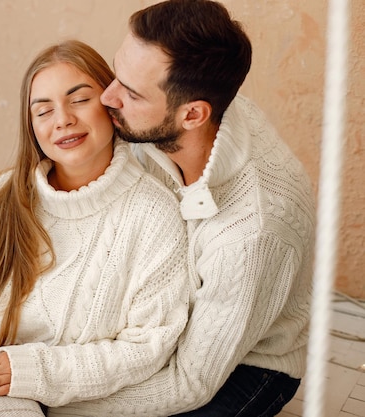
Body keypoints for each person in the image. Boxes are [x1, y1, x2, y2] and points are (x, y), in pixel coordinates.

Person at [48, 1, 316, 416]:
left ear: (193, 114)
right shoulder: (170, 123)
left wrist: (46, 401)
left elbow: (190, 382)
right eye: (117, 74)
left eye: (131, 93)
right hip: (164, 318)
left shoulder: (256, 229)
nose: (107, 96)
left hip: (243, 368)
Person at [0, 39, 191, 409]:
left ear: (111, 104)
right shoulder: (0, 194)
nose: (63, 119)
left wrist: (34, 370)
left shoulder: (154, 214)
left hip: (69, 405)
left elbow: (149, 346)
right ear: (31, 126)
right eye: (43, 110)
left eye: (80, 99)